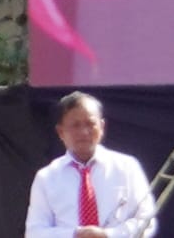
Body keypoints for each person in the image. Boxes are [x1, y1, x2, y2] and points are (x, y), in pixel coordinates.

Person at [25, 91, 157, 238]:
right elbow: (35, 232)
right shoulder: (46, 177)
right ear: (60, 132)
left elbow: (147, 220)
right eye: (75, 125)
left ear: (102, 127)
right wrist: (75, 234)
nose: (84, 132)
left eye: (90, 124)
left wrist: (108, 235)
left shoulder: (127, 167)